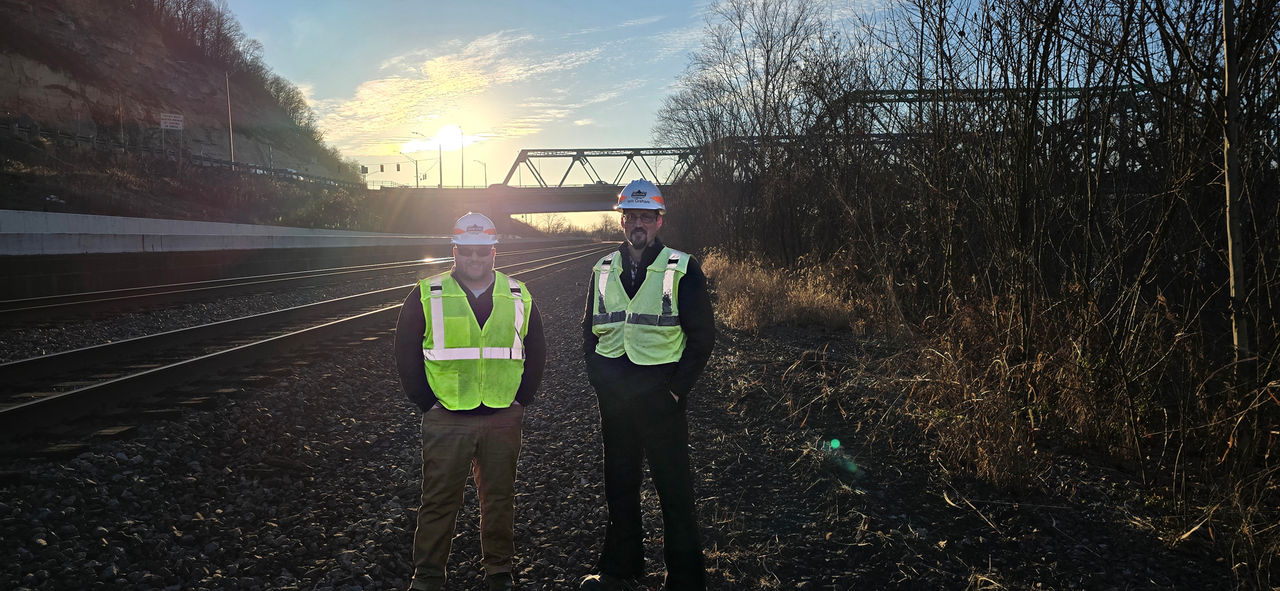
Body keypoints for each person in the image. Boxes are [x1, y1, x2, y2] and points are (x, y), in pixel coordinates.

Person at [395, 212, 546, 591]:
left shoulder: (517, 293)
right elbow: (405, 351)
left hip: (501, 416)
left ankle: (499, 572)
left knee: (499, 500)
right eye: (467, 252)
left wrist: (521, 399)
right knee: (438, 502)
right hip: (446, 416)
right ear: (455, 251)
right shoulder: (427, 293)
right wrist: (425, 401)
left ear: (494, 252)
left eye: (482, 252)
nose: (474, 259)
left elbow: (537, 348)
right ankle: (428, 578)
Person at [579, 180, 716, 591]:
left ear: (659, 220)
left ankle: (685, 579)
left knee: (673, 488)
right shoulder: (602, 269)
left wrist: (675, 391)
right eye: (631, 216)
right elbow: (588, 330)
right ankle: (621, 568)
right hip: (615, 396)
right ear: (622, 220)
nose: (638, 223)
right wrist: (599, 377)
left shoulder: (682, 267)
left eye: (646, 216)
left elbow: (702, 337)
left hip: (661, 395)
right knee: (619, 484)